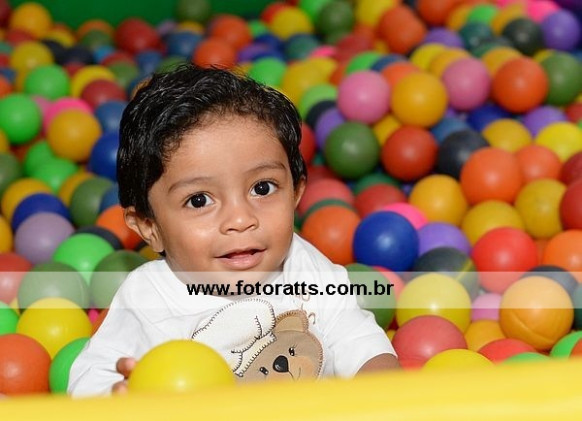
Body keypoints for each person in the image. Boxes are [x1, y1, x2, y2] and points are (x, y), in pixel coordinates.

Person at [68, 64, 399, 397]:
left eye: (262, 188)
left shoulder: (303, 265)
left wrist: (386, 395)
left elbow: (359, 340)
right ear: (149, 226)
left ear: (295, 193)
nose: (240, 219)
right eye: (199, 200)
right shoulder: (147, 298)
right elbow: (90, 380)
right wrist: (122, 399)